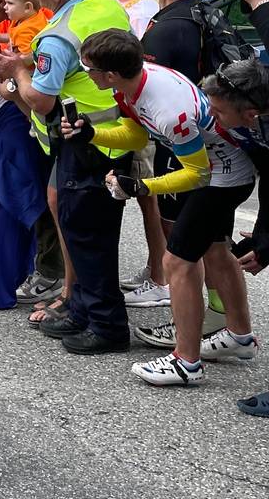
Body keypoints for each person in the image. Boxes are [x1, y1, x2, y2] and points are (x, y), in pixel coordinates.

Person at [66, 30, 257, 386]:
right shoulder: (133, 84)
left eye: (87, 67)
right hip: (216, 169)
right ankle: (240, 336)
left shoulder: (168, 109)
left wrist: (141, 187)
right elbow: (136, 136)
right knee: (216, 251)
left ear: (109, 74)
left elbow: (197, 175)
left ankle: (187, 361)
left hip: (220, 175)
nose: (85, 73)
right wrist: (92, 134)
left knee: (177, 261)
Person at [0, 0, 134, 355]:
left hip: (82, 141)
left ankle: (106, 325)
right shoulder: (104, 8)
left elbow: (41, 100)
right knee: (94, 231)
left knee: (86, 234)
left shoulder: (57, 35)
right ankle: (85, 310)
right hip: (114, 133)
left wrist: (16, 71)